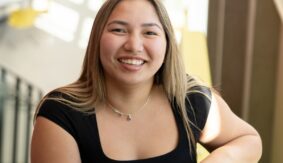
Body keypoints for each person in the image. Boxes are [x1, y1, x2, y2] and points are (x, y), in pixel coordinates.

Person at [30, 0, 262, 163]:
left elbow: (249, 141)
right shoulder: (60, 113)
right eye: (119, 30)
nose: (134, 45)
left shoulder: (189, 98)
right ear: (97, 39)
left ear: (167, 43)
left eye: (150, 33)